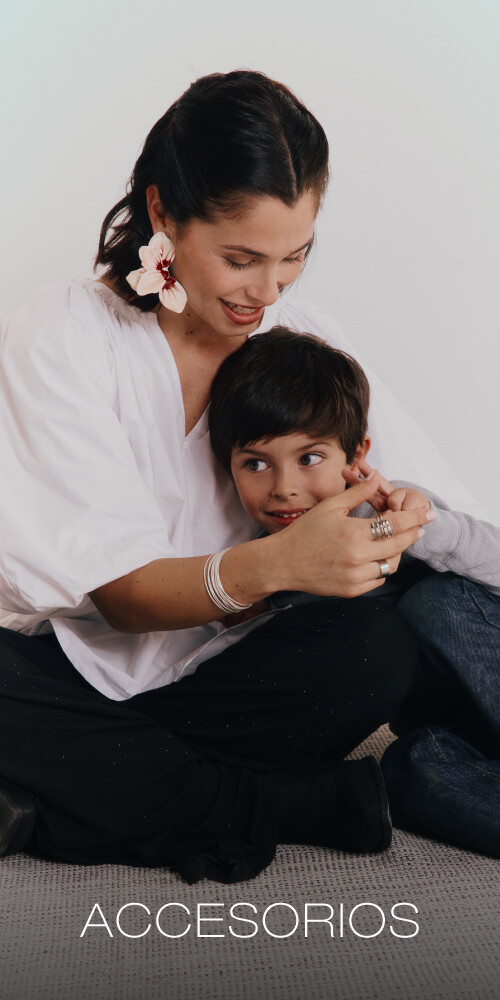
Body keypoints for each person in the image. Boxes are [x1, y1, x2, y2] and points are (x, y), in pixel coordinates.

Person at [0, 70, 470, 883]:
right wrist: (281, 563)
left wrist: (394, 520)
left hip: (232, 678)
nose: (269, 290)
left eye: (295, 257)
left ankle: (61, 796)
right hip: (66, 666)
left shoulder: (303, 342)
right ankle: (281, 805)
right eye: (242, 258)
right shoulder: (66, 332)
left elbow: (447, 513)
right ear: (162, 214)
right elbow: (120, 596)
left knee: (376, 646)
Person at [208, 326, 500, 857]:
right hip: (468, 735)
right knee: (408, 769)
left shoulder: (393, 509)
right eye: (255, 463)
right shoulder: (264, 567)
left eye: (310, 458)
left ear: (356, 453)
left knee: (434, 603)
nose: (284, 486)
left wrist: (429, 529)